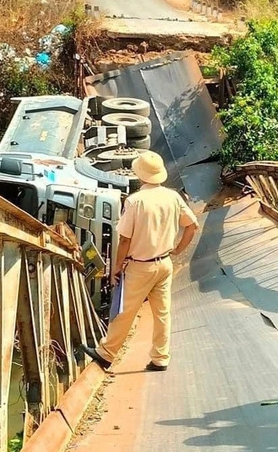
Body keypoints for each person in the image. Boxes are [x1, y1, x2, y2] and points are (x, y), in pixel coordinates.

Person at [83, 151, 199, 372]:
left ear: (139, 174)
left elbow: (125, 239)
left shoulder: (135, 201)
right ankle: (160, 358)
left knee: (125, 310)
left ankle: (106, 354)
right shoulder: (173, 197)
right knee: (162, 312)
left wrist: (116, 267)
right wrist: (177, 249)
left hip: (140, 266)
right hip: (164, 263)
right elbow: (192, 226)